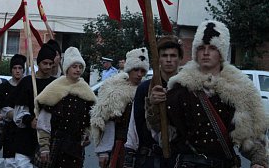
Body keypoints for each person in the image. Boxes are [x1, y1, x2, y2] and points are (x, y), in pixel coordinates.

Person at [150, 21, 268, 167]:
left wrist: (259, 161)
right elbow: (163, 132)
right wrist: (155, 106)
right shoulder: (179, 87)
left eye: (212, 48)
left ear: (221, 53)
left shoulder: (241, 89)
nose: (205, 53)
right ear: (195, 53)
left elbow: (254, 136)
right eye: (201, 48)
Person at [124, 35, 183, 168]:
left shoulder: (186, 88)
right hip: (149, 159)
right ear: (158, 59)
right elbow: (134, 125)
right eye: (164, 55)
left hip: (178, 160)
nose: (168, 60)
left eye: (173, 56)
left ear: (180, 59)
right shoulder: (144, 88)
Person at [35, 47, 96, 167]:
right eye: (74, 66)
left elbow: (89, 119)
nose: (78, 70)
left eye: (80, 67)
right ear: (67, 68)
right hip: (57, 145)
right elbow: (44, 122)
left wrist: (87, 134)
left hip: (76, 147)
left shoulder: (85, 90)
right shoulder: (55, 88)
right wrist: (44, 147)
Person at [92, 48, 149, 168]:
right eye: (136, 69)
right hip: (119, 146)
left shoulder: (147, 91)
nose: (139, 74)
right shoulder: (114, 91)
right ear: (129, 69)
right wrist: (103, 151)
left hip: (142, 148)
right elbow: (106, 123)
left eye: (142, 71)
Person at [11, 43, 57, 167]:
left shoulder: (55, 84)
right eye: (45, 63)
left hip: (47, 136)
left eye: (50, 64)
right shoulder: (27, 82)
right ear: (38, 63)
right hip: (26, 135)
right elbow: (19, 111)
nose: (48, 66)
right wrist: (30, 120)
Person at [0, 53, 26, 168]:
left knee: (23, 162)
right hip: (9, 130)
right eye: (15, 68)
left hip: (24, 131)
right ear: (11, 70)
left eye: (20, 68)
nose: (17, 71)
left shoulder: (28, 86)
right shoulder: (4, 88)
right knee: (10, 162)